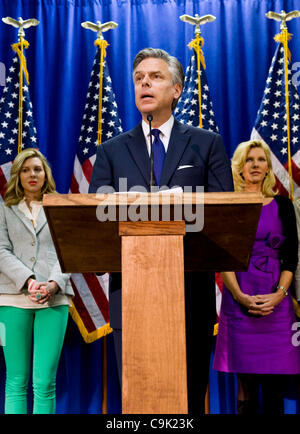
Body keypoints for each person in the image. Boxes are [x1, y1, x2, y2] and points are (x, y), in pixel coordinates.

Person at [89, 47, 234, 413]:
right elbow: (97, 221)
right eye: (139, 79)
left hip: (190, 294)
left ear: (177, 89)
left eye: (155, 77)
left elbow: (222, 216)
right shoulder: (111, 151)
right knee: (138, 402)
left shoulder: (205, 144)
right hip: (132, 296)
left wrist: (181, 203)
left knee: (188, 401)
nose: (145, 84)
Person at [213, 139, 300, 414]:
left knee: (274, 382)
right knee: (246, 383)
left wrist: (279, 295)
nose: (255, 165)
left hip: (277, 300)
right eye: (249, 160)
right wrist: (239, 296)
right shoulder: (230, 205)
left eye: (261, 160)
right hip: (239, 298)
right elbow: (222, 257)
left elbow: (291, 256)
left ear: (267, 168)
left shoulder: (284, 206)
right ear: (239, 168)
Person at [0, 148, 74, 414]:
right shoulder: (4, 208)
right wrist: (29, 280)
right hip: (10, 299)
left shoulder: (61, 205)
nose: (32, 174)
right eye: (26, 170)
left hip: (55, 298)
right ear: (17, 175)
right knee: (16, 381)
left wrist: (52, 284)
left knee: (44, 383)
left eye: (37, 169)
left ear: (46, 174)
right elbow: (0, 251)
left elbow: (68, 250)